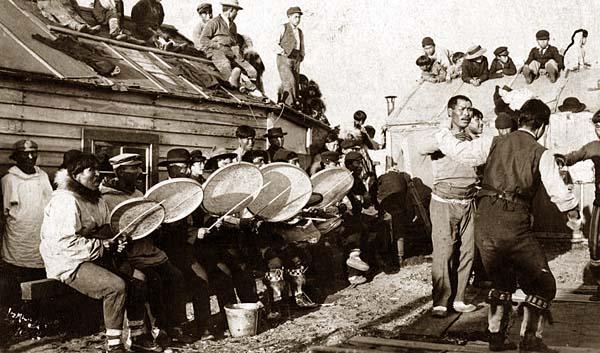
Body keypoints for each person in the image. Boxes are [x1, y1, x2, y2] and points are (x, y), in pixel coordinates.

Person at [435, 99, 579, 352]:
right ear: (542, 126)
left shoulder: (493, 142)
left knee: (501, 281)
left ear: (520, 120)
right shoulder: (540, 152)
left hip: (485, 219)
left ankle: (496, 338)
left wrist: (443, 130)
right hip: (513, 220)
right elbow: (558, 192)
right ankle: (530, 340)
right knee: (543, 285)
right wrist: (572, 212)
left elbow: (459, 151)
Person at [39, 153, 151, 353]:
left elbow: (107, 229)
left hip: (94, 255)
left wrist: (118, 240)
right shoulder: (64, 201)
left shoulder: (96, 198)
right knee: (115, 287)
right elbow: (63, 243)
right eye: (92, 170)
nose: (98, 175)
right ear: (76, 175)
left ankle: (138, 336)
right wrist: (102, 245)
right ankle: (114, 345)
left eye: (98, 169)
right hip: (68, 261)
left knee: (139, 279)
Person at [100, 153, 196, 344]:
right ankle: (151, 331)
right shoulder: (106, 198)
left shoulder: (138, 195)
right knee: (152, 280)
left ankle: (173, 325)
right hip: (125, 256)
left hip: (147, 251)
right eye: (133, 169)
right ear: (119, 172)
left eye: (139, 167)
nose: (139, 172)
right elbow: (106, 231)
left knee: (175, 276)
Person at [418, 95, 478, 318]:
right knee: (444, 252)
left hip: (469, 202)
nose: (466, 113)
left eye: (469, 109)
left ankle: (460, 298)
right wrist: (447, 136)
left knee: (467, 252)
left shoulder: (473, 139)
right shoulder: (440, 137)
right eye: (462, 109)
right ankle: (441, 301)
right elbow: (422, 148)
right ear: (450, 111)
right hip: (444, 203)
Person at [154, 149, 213, 340]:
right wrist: (195, 233)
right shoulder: (162, 193)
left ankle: (203, 327)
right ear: (173, 169)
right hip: (167, 251)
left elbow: (197, 218)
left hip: (188, 249)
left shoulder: (191, 190)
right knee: (176, 281)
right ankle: (174, 328)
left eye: (188, 166)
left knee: (201, 279)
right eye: (184, 167)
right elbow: (164, 229)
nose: (188, 170)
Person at [0, 140, 52, 330]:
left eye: (34, 153)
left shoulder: (43, 176)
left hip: (40, 235)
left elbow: (50, 202)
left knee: (39, 277)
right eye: (25, 154)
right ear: (17, 156)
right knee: (19, 276)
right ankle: (19, 318)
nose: (30, 158)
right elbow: (5, 212)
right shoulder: (9, 180)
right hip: (19, 238)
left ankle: (38, 318)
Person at [557, 109, 600, 301]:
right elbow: (576, 155)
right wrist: (561, 159)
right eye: (598, 126)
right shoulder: (595, 146)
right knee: (595, 245)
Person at [199, 0, 260, 93]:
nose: (237, 14)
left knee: (252, 71)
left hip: (232, 51)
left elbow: (235, 42)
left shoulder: (233, 25)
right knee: (226, 66)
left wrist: (239, 56)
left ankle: (245, 85)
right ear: (231, 10)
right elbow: (203, 39)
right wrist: (217, 46)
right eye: (236, 12)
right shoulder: (214, 22)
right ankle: (238, 84)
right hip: (217, 51)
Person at [277, 6, 305, 107]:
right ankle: (289, 104)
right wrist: (282, 51)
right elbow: (274, 42)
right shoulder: (283, 27)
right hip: (285, 59)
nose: (298, 20)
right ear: (289, 17)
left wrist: (301, 55)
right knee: (289, 81)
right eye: (295, 17)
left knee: (296, 83)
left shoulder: (299, 31)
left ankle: (294, 104)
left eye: (299, 17)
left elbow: (302, 45)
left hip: (296, 59)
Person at [37, 0, 101, 34]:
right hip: (48, 3)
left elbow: (74, 5)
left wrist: (79, 14)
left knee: (71, 12)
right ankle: (77, 26)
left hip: (62, 3)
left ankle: (88, 27)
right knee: (62, 15)